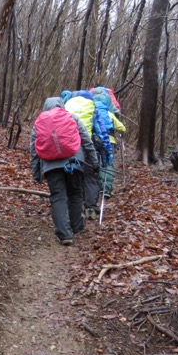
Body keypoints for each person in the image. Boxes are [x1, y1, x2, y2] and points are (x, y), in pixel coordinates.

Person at [31, 97, 99, 245]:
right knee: (75, 193)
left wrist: (37, 172)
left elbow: (34, 149)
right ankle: (76, 226)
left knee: (58, 196)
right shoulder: (71, 117)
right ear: (62, 105)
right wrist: (94, 162)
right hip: (74, 162)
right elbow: (86, 140)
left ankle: (64, 234)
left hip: (51, 166)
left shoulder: (39, 122)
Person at [63, 89, 112, 220]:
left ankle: (73, 206)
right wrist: (108, 150)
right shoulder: (92, 108)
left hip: (67, 146)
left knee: (73, 175)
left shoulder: (67, 105)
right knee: (90, 176)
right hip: (86, 144)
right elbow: (101, 130)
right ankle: (90, 207)